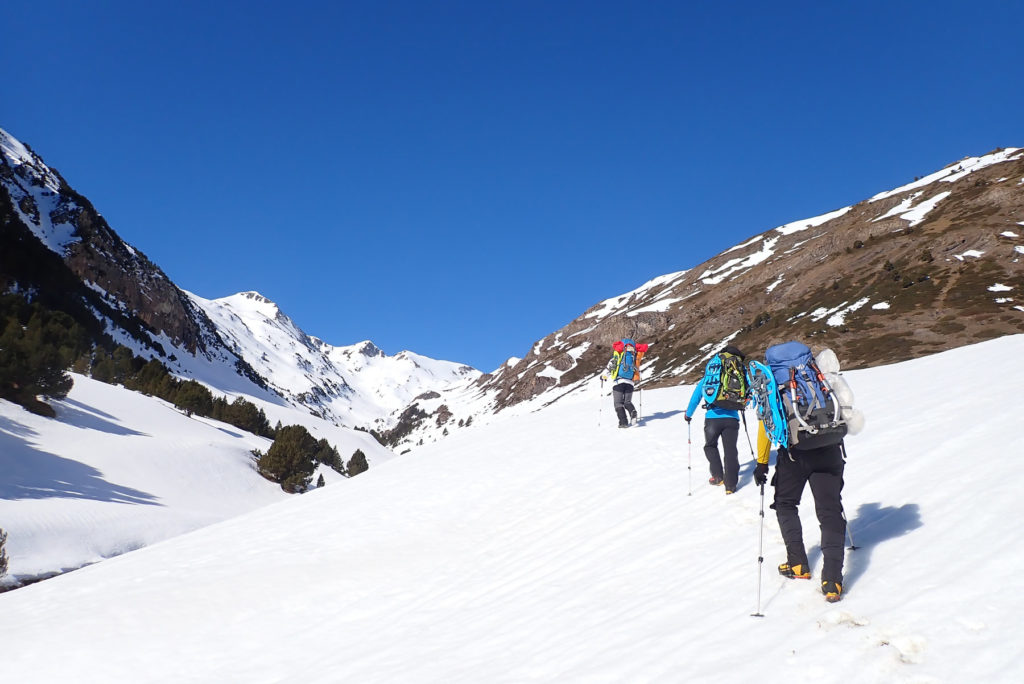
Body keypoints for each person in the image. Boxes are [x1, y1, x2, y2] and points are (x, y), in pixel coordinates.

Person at [752, 372, 848, 604]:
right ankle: (832, 580)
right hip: (829, 449)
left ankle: (797, 564)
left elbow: (767, 425)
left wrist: (762, 463)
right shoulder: (816, 378)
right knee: (830, 512)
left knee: (785, 503)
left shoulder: (774, 383)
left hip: (796, 455)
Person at [684, 346, 746, 494]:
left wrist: (688, 414)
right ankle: (730, 486)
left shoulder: (713, 371)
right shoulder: (738, 368)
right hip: (732, 418)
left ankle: (718, 476)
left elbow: (697, 395)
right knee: (730, 450)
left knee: (710, 446)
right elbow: (747, 390)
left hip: (712, 418)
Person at [601, 338, 646, 428]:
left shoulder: (618, 356)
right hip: (630, 383)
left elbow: (610, 367)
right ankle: (632, 411)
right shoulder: (634, 356)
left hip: (619, 382)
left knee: (618, 403)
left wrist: (603, 376)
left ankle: (623, 422)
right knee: (627, 402)